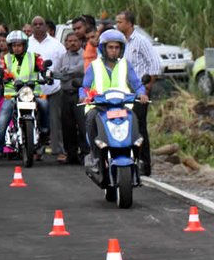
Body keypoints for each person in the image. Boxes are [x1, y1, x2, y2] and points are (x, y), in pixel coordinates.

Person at [80, 29, 147, 175]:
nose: (114, 51)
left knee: (135, 121)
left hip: (122, 106)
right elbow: (84, 87)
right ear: (103, 48)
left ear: (121, 49)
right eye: (110, 47)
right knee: (90, 120)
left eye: (117, 47)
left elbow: (137, 84)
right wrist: (84, 96)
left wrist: (142, 94)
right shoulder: (94, 65)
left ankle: (136, 157)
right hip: (99, 107)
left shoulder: (125, 65)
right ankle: (95, 156)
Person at [0, 31, 51, 165]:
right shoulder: (4, 59)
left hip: (32, 94)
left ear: (25, 45)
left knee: (45, 104)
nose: (17, 48)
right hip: (12, 95)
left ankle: (44, 134)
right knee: (3, 120)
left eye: (20, 45)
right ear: (10, 46)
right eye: (14, 45)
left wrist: (47, 74)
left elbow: (43, 68)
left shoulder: (35, 57)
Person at [116, 10, 161, 176]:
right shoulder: (119, 43)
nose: (117, 25)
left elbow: (155, 64)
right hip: (123, 93)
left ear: (129, 23)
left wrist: (147, 88)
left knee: (139, 127)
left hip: (139, 92)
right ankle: (128, 160)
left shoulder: (140, 41)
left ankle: (144, 163)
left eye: (120, 22)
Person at [27, 16, 66, 162]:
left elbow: (62, 65)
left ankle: (59, 151)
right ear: (31, 27)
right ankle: (36, 150)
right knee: (34, 121)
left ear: (46, 27)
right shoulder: (27, 44)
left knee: (55, 121)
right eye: (35, 24)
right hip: (33, 89)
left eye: (41, 24)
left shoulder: (56, 45)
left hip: (53, 88)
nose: (38, 26)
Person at [56, 32, 87, 163]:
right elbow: (57, 73)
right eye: (70, 41)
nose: (73, 43)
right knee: (67, 125)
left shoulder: (85, 55)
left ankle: (86, 153)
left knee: (82, 125)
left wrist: (66, 70)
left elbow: (82, 69)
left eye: (75, 40)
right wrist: (69, 72)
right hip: (65, 94)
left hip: (80, 94)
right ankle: (71, 154)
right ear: (66, 43)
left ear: (80, 42)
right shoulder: (62, 57)